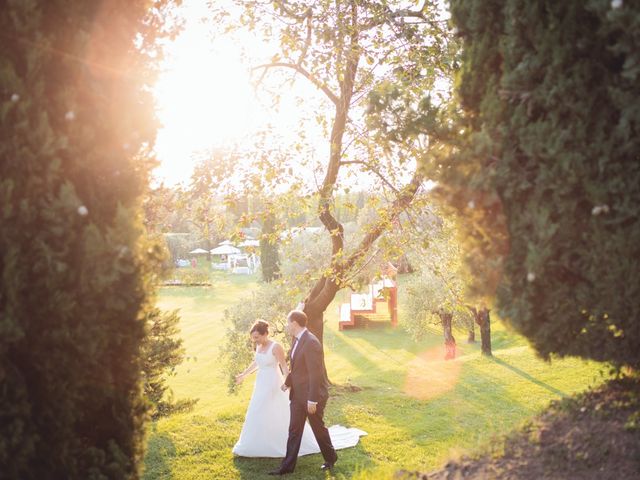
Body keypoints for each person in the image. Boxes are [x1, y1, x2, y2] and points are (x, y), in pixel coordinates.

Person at [232, 320, 321, 457]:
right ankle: (255, 442)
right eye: (253, 338)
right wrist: (243, 375)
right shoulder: (259, 346)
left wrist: (290, 383)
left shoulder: (276, 347)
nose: (255, 340)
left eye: (257, 337)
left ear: (266, 334)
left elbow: (284, 366)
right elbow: (257, 361)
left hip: (273, 383)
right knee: (257, 410)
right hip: (261, 383)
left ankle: (279, 441)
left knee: (268, 409)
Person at [270, 310, 338, 476]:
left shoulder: (311, 342)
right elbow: (298, 368)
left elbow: (315, 373)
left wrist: (312, 400)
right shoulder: (297, 339)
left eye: (288, 323)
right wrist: (288, 383)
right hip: (298, 396)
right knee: (294, 430)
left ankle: (331, 458)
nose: (286, 326)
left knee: (318, 428)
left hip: (311, 397)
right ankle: (286, 467)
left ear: (294, 323)